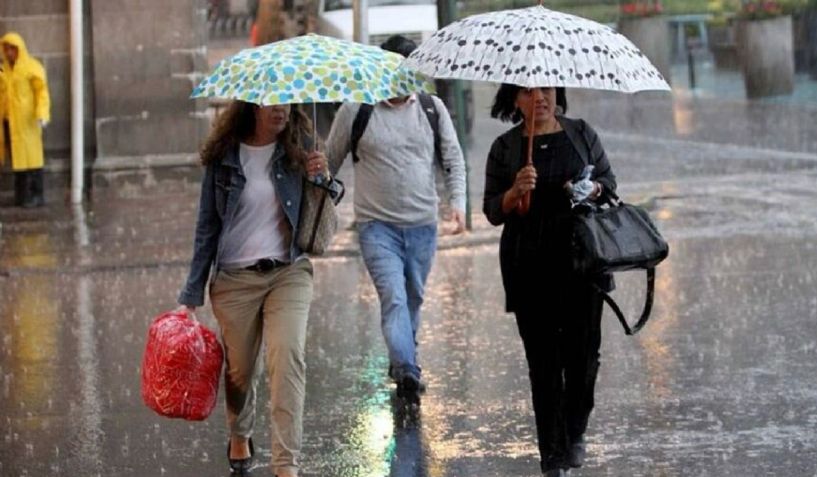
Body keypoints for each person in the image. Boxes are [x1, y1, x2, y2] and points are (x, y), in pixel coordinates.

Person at [177, 100, 341, 477]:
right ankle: (240, 431)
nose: (281, 110)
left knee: (288, 359)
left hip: (289, 271)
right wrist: (192, 292)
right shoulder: (225, 155)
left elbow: (320, 217)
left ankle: (286, 466)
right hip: (235, 279)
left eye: (286, 102)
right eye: (272, 104)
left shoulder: (300, 145)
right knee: (240, 372)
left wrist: (322, 178)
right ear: (252, 106)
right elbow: (207, 226)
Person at [482, 85, 617, 477]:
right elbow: (492, 210)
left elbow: (608, 185)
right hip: (529, 266)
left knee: (583, 359)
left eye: (547, 88)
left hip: (582, 263)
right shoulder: (506, 148)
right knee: (543, 365)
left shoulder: (581, 133)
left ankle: (575, 431)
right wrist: (514, 193)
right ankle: (552, 458)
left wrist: (591, 188)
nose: (540, 97)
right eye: (528, 91)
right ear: (514, 101)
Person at [324, 34, 467, 403]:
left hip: (423, 224)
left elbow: (453, 158)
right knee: (394, 298)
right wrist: (314, 187)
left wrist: (459, 204)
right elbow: (330, 161)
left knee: (414, 297)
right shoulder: (357, 110)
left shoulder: (431, 108)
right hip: (377, 228)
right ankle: (406, 368)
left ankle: (403, 357)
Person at [0, 32, 51, 208]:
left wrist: (42, 113)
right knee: (19, 161)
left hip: (28, 121)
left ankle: (37, 194)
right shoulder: (4, 71)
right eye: (6, 50)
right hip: (12, 122)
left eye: (11, 49)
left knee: (33, 159)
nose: (8, 53)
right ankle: (22, 195)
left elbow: (41, 92)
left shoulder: (31, 67)